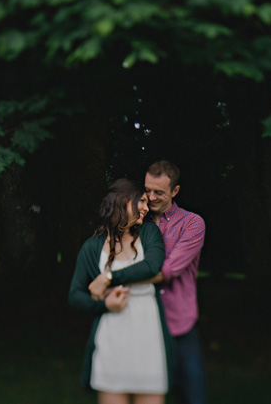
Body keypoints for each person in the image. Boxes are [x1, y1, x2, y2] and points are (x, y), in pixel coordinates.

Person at [90, 161, 206, 404]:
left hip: (178, 322)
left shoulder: (192, 224)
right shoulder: (137, 222)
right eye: (147, 190)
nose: (150, 197)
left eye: (159, 192)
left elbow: (165, 271)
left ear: (175, 191)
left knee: (192, 394)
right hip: (142, 321)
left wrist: (111, 278)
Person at [68, 178, 174, 404]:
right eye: (142, 201)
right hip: (112, 337)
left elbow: (152, 266)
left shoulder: (149, 233)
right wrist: (104, 305)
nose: (147, 207)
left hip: (148, 334)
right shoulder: (93, 246)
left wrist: (108, 278)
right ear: (123, 201)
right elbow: (75, 295)